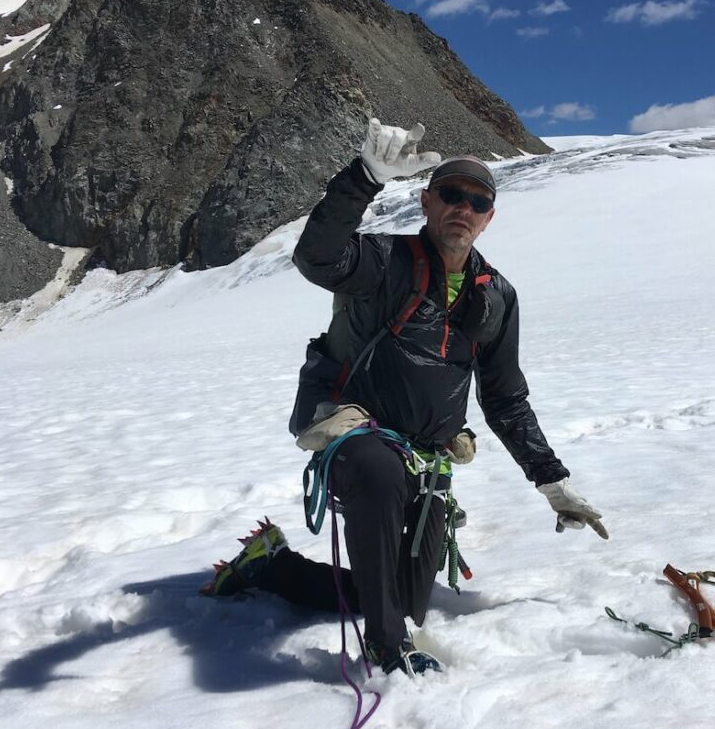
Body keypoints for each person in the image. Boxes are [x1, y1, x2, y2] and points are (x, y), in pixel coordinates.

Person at [203, 119, 608, 676]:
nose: (462, 207)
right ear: (426, 201)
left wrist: (552, 481)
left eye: (476, 200)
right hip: (354, 432)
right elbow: (316, 258)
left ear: (489, 217)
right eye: (450, 194)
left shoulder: (496, 298)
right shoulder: (381, 262)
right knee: (378, 477)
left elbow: (505, 397)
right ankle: (387, 647)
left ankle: (273, 568)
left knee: (397, 595)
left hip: (427, 453)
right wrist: (363, 179)